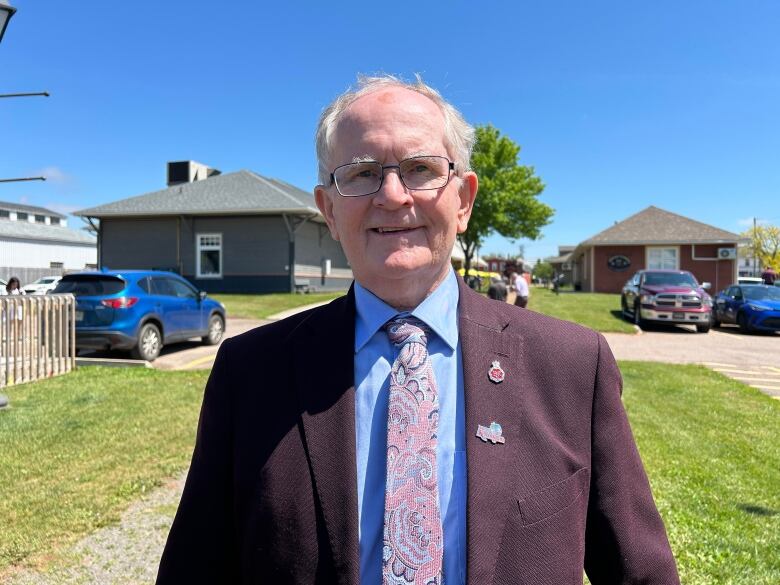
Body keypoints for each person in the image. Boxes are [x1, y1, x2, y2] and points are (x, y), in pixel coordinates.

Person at [157, 75, 679, 584]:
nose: (392, 194)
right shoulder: (250, 373)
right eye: (361, 173)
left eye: (420, 168)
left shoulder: (571, 365)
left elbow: (639, 572)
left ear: (465, 201)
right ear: (329, 211)